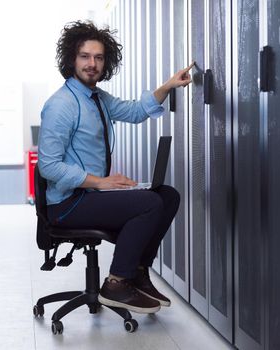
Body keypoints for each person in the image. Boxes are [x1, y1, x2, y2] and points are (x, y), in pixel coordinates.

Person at [38, 20, 193, 315]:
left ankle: (137, 272)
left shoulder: (97, 98)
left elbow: (135, 111)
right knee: (148, 203)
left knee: (168, 195)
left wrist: (169, 85)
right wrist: (100, 182)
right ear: (72, 58)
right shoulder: (62, 105)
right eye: (85, 56)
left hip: (88, 196)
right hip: (67, 203)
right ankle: (117, 282)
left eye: (98, 57)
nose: (92, 64)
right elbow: (48, 166)